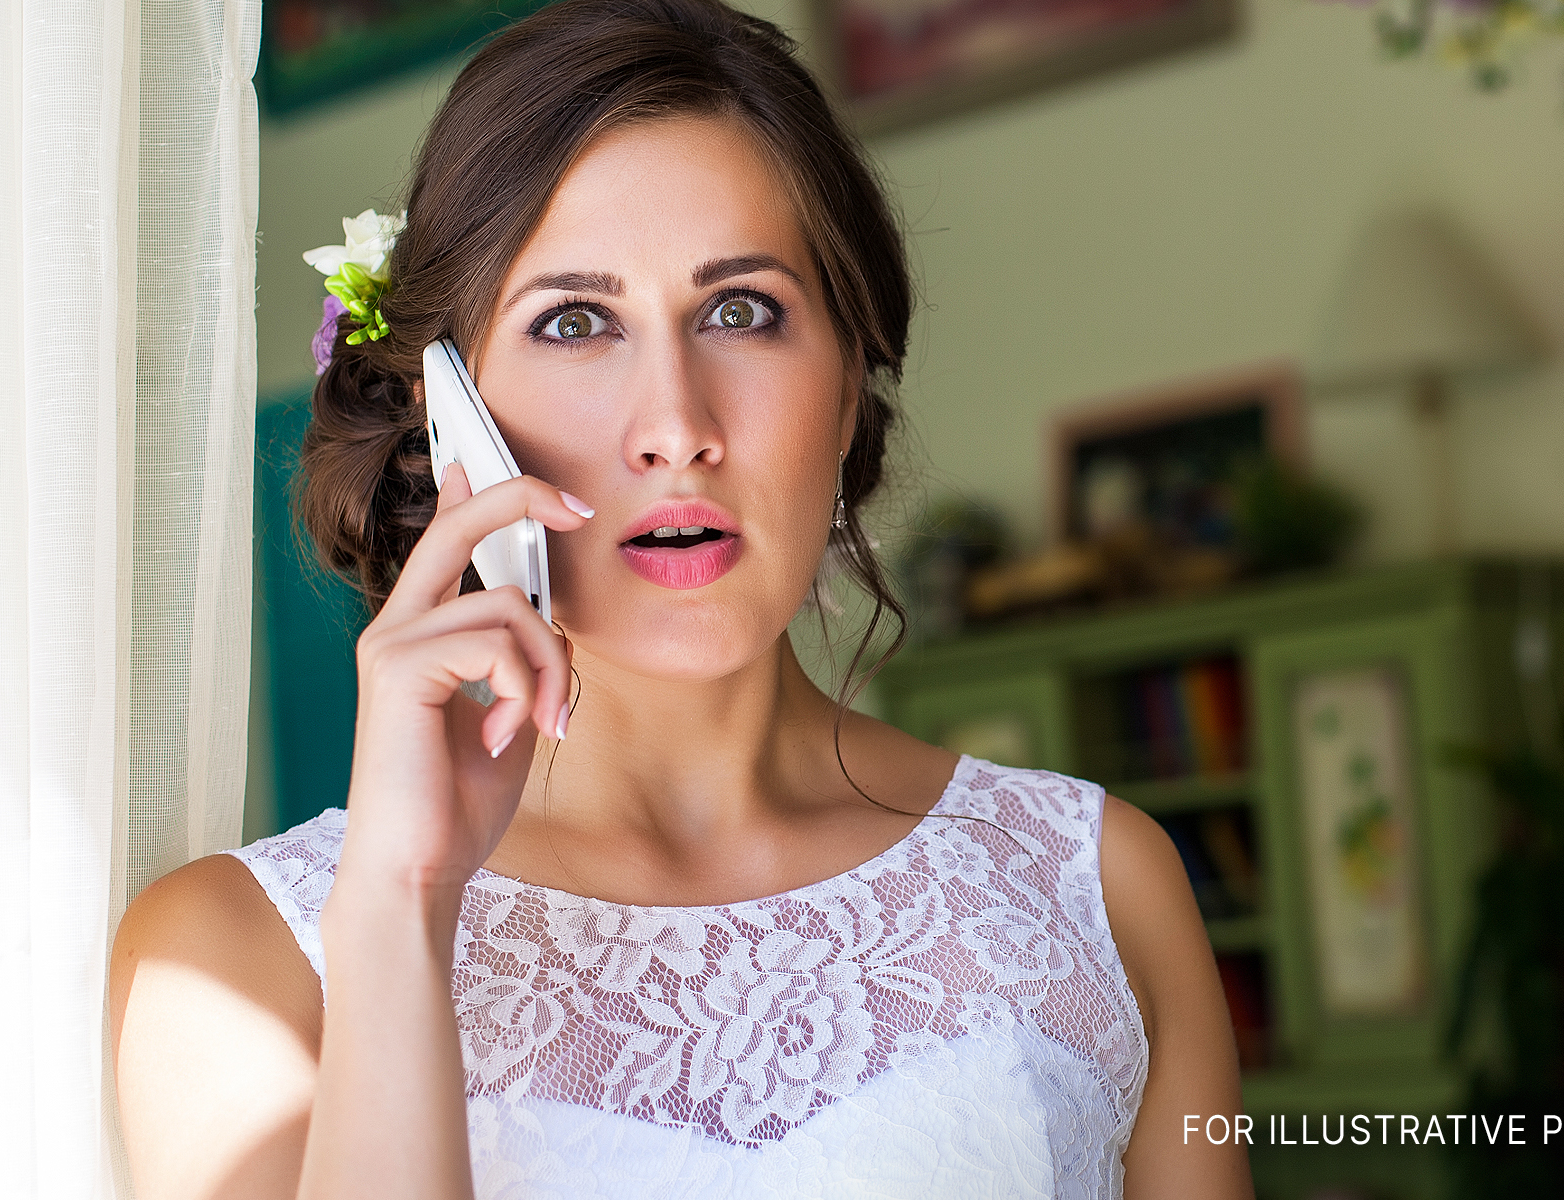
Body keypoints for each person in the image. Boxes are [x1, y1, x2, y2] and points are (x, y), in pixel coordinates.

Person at [108, 0, 1254, 1194]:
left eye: (741, 311)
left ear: (853, 379)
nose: (677, 430)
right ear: (453, 415)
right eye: (575, 322)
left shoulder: (1096, 889)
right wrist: (399, 908)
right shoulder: (230, 966)